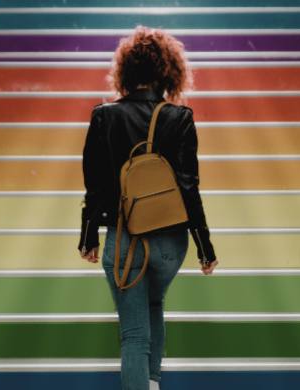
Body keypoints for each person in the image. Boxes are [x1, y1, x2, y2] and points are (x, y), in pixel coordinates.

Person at [78, 26, 218, 390]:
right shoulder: (181, 117)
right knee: (154, 302)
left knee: (133, 336)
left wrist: (88, 237)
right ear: (169, 71)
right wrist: (205, 247)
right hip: (170, 242)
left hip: (124, 239)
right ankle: (152, 383)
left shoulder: (103, 116)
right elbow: (190, 187)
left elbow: (95, 186)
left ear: (125, 71)